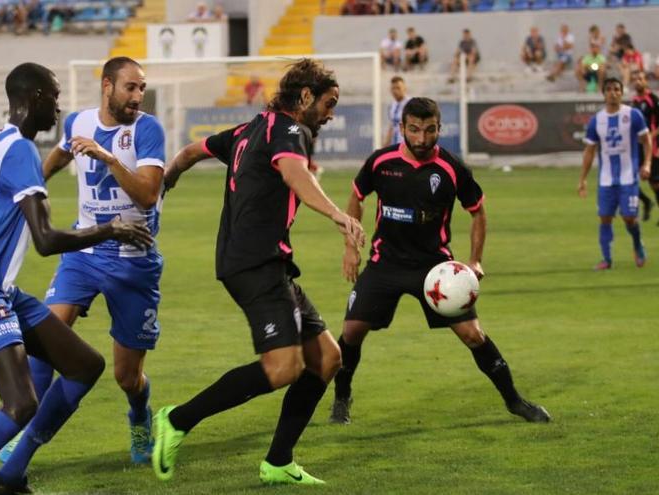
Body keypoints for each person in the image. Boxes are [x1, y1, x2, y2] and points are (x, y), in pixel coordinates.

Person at [0, 62, 153, 495]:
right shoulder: (18, 151)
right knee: (20, 403)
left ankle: (10, 477)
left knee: (85, 366)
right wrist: (110, 229)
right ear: (34, 99)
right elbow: (47, 240)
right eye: (53, 96)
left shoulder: (9, 145)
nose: (59, 106)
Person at [153, 58, 365, 485]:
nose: (330, 113)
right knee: (284, 367)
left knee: (327, 358)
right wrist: (337, 214)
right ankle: (177, 419)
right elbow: (294, 173)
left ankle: (279, 460)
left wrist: (168, 178)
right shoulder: (290, 131)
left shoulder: (249, 129)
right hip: (255, 262)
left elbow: (191, 152)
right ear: (304, 96)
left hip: (268, 263)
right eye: (328, 103)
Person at [328, 97, 552, 427]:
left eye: (430, 130)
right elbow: (356, 198)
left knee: (473, 335)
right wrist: (351, 246)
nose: (421, 139)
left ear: (439, 128)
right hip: (385, 263)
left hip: (434, 268)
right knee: (351, 331)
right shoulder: (380, 162)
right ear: (401, 128)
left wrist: (475, 261)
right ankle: (341, 398)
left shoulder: (452, 168)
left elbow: (478, 213)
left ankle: (514, 400)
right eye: (414, 130)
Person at [2, 57, 166, 467]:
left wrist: (107, 156)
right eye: (130, 87)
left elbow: (147, 195)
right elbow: (56, 159)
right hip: (84, 252)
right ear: (107, 85)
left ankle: (140, 415)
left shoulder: (147, 130)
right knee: (45, 341)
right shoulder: (77, 122)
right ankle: (21, 431)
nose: (137, 96)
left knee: (126, 376)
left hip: (134, 260)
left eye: (141, 88)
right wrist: (28, 189)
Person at [578, 77, 652, 270]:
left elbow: (646, 140)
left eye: (617, 89)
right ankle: (606, 259)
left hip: (629, 177)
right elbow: (589, 151)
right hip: (606, 179)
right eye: (609, 89)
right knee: (604, 217)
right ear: (603, 94)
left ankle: (638, 245)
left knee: (629, 218)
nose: (613, 92)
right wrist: (583, 179)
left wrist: (647, 164)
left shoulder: (633, 115)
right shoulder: (597, 120)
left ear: (622, 92)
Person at [632, 71, 659, 222]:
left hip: (652, 147)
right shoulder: (634, 101)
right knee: (628, 179)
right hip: (637, 147)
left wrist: (650, 137)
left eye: (640, 79)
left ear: (646, 82)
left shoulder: (653, 99)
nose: (637, 81)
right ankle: (646, 202)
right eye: (635, 79)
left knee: (654, 183)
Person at [384, 76, 411, 147]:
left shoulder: (411, 103)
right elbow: (392, 125)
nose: (395, 91)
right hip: (395, 143)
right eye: (393, 88)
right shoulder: (392, 105)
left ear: (405, 88)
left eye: (398, 88)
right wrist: (386, 143)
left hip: (407, 145)